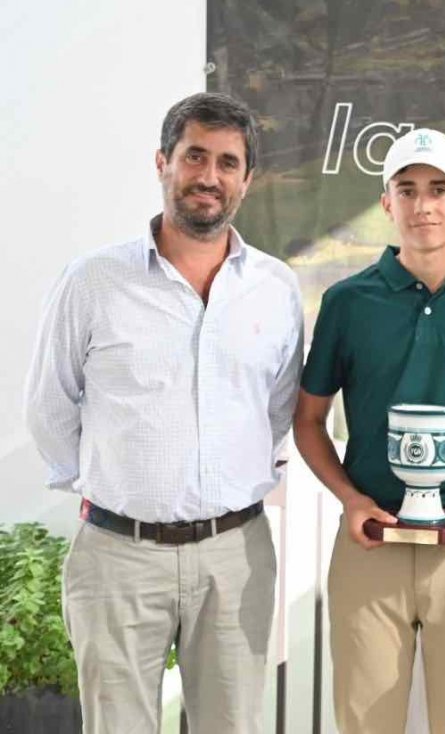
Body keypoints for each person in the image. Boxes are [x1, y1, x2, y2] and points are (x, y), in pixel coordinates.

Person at [25, 92, 303, 733]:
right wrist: (117, 491)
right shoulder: (93, 280)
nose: (209, 176)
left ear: (247, 180)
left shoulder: (275, 287)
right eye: (194, 156)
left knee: (230, 725)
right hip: (118, 555)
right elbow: (49, 406)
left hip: (236, 555)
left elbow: (278, 408)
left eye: (227, 163)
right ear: (163, 162)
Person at [293, 127, 445, 734]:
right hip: (370, 544)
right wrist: (352, 501)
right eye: (407, 190)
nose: (423, 204)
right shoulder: (348, 302)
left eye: (438, 188)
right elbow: (309, 421)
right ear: (386, 203)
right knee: (366, 725)